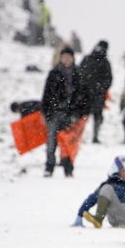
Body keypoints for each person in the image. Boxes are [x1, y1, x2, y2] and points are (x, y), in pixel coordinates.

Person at [41, 46, 89, 177]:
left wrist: (80, 112)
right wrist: (45, 112)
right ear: (60, 58)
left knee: (68, 141)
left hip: (71, 114)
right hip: (54, 112)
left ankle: (68, 167)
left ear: (73, 58)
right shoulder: (54, 73)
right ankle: (49, 166)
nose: (66, 59)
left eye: (69, 56)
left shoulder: (79, 74)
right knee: (51, 141)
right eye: (64, 57)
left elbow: (84, 95)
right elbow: (46, 94)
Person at [73, 156, 125, 228]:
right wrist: (80, 215)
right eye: (124, 170)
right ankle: (98, 219)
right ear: (117, 171)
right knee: (106, 189)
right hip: (117, 217)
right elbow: (92, 198)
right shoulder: (110, 184)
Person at [80, 40, 112, 144]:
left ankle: (79, 136)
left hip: (86, 93)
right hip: (97, 94)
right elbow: (109, 79)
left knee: (82, 116)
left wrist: (82, 86)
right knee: (97, 116)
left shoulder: (87, 59)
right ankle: (94, 136)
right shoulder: (105, 62)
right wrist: (102, 88)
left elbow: (79, 73)